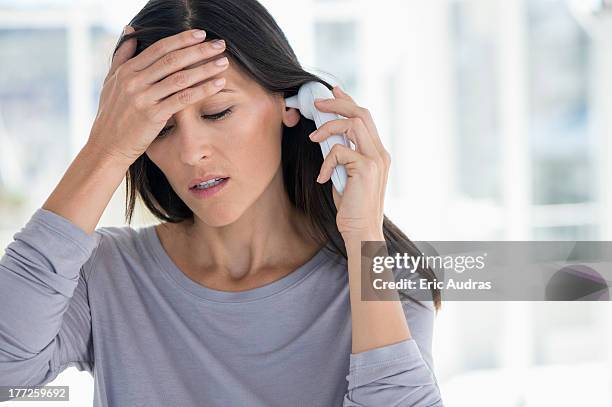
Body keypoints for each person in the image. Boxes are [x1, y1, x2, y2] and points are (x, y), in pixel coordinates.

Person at [0, 0, 444, 405]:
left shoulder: (381, 276)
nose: (192, 151)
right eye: (159, 127)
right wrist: (105, 149)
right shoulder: (108, 274)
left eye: (217, 113)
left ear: (293, 104)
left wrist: (364, 238)